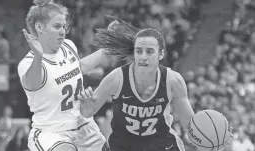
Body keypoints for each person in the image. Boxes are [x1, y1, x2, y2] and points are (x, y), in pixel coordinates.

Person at [18, 1, 130, 151]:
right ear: (39, 28)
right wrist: (38, 57)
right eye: (57, 26)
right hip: (52, 131)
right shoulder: (29, 63)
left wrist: (110, 42)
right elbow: (32, 83)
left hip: (82, 125)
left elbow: (79, 67)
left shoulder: (68, 46)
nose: (62, 31)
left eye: (64, 26)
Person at [78, 28, 195, 151]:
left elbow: (189, 124)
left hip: (163, 145)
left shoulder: (173, 80)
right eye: (139, 51)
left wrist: (208, 142)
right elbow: (87, 112)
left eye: (149, 52)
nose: (143, 57)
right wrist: (86, 107)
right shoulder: (117, 78)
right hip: (124, 146)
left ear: (161, 54)